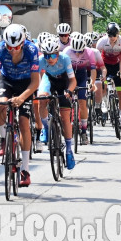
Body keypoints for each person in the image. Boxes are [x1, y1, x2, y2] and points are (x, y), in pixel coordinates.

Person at [0, 24, 40, 187]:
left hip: (26, 84)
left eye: (16, 47)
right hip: (7, 81)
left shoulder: (31, 50)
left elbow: (36, 81)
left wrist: (22, 98)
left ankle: (25, 169)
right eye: (9, 46)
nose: (13, 50)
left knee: (23, 122)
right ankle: (2, 138)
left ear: (23, 43)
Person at [36, 36, 77, 169]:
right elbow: (37, 78)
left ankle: (69, 150)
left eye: (53, 55)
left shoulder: (65, 58)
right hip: (49, 80)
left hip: (64, 82)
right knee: (41, 98)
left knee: (65, 118)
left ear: (58, 53)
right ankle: (46, 128)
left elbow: (73, 81)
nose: (50, 58)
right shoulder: (41, 60)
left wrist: (69, 91)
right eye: (47, 55)